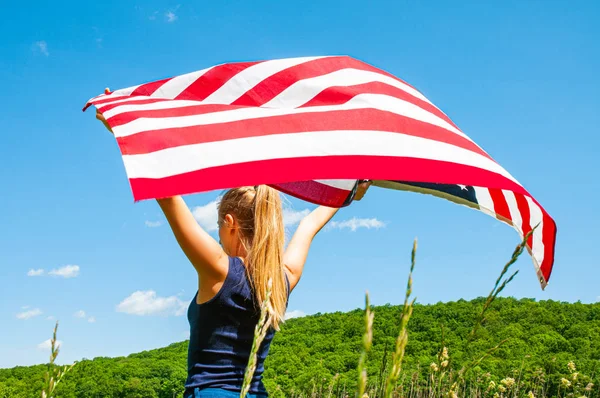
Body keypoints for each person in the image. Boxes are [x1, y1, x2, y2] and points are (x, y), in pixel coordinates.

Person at [95, 110, 371, 397]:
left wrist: (122, 128)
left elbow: (166, 195)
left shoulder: (218, 268)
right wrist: (351, 190)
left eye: (218, 226)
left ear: (230, 223)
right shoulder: (284, 279)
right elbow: (309, 225)